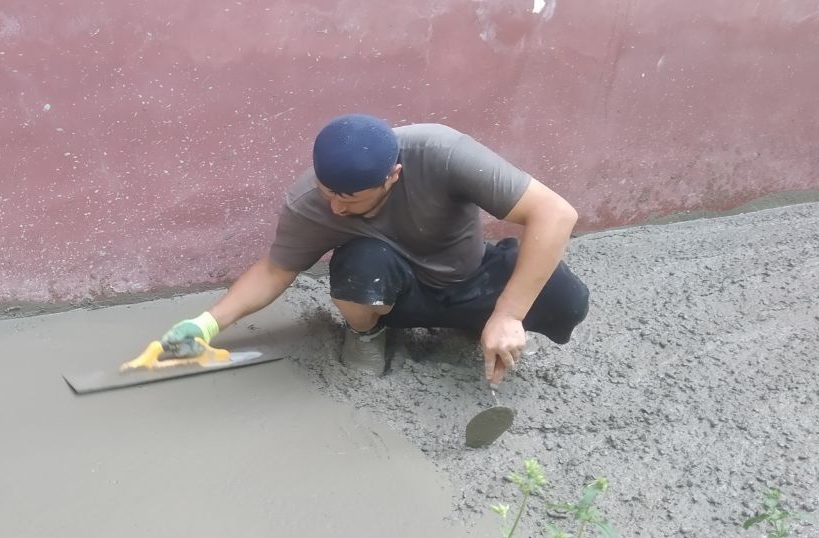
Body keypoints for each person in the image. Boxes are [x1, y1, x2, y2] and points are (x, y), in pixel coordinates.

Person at [158, 114, 590, 384]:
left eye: (351, 199)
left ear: (393, 175)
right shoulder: (310, 201)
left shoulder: (442, 153)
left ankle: (477, 326)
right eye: (329, 193)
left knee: (568, 300)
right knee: (360, 263)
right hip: (399, 295)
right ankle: (367, 335)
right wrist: (206, 325)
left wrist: (508, 313)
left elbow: (556, 214)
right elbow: (275, 270)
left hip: (470, 277)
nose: (336, 207)